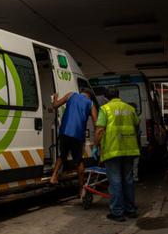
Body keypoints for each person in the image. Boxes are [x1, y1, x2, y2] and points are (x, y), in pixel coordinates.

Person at [95, 87, 140, 222]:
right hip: (129, 150)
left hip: (113, 150)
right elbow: (136, 126)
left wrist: (96, 146)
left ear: (105, 97)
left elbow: (99, 130)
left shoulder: (105, 109)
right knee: (128, 180)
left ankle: (117, 213)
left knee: (115, 182)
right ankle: (130, 210)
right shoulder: (130, 109)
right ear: (118, 95)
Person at [50, 88, 98, 193]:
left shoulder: (71, 94)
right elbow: (96, 124)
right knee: (79, 161)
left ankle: (53, 176)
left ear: (81, 93)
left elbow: (55, 105)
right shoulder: (90, 104)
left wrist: (55, 98)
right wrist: (96, 142)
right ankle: (81, 189)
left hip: (64, 131)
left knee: (62, 154)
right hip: (77, 134)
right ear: (89, 96)